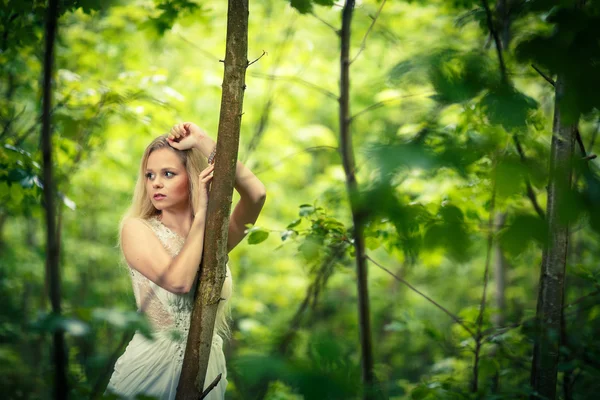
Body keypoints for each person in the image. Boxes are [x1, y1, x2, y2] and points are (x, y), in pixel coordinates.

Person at [105, 122, 266, 399]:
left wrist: (203, 141)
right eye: (150, 175)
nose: (156, 182)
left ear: (192, 176)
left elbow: (256, 195)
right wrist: (203, 213)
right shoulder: (136, 228)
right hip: (151, 367)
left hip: (207, 366)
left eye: (168, 174)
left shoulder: (214, 239)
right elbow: (178, 281)